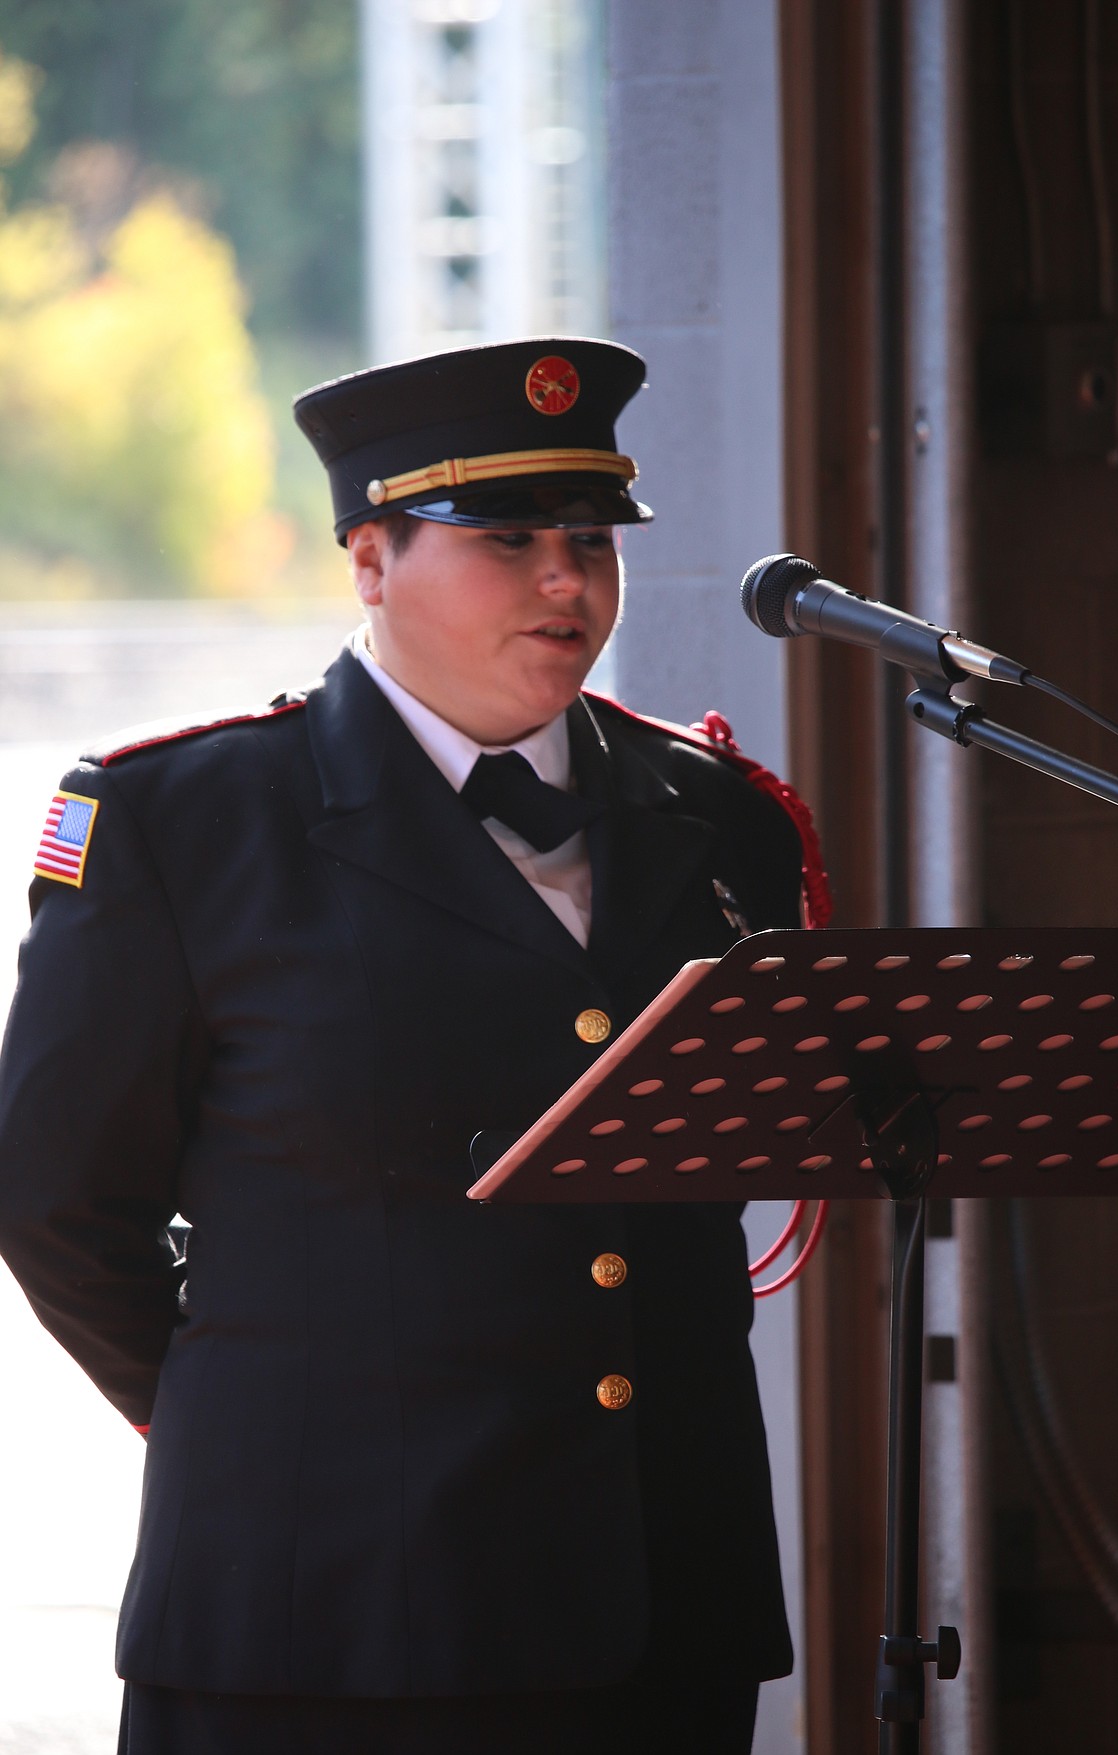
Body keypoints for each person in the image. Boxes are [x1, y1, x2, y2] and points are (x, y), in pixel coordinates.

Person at [0, 337, 825, 1754]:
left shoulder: (718, 812)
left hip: (654, 1592)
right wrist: (260, 1415)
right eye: (504, 538)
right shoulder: (182, 821)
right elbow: (57, 1199)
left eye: (589, 539)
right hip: (318, 1598)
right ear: (369, 559)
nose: (568, 580)